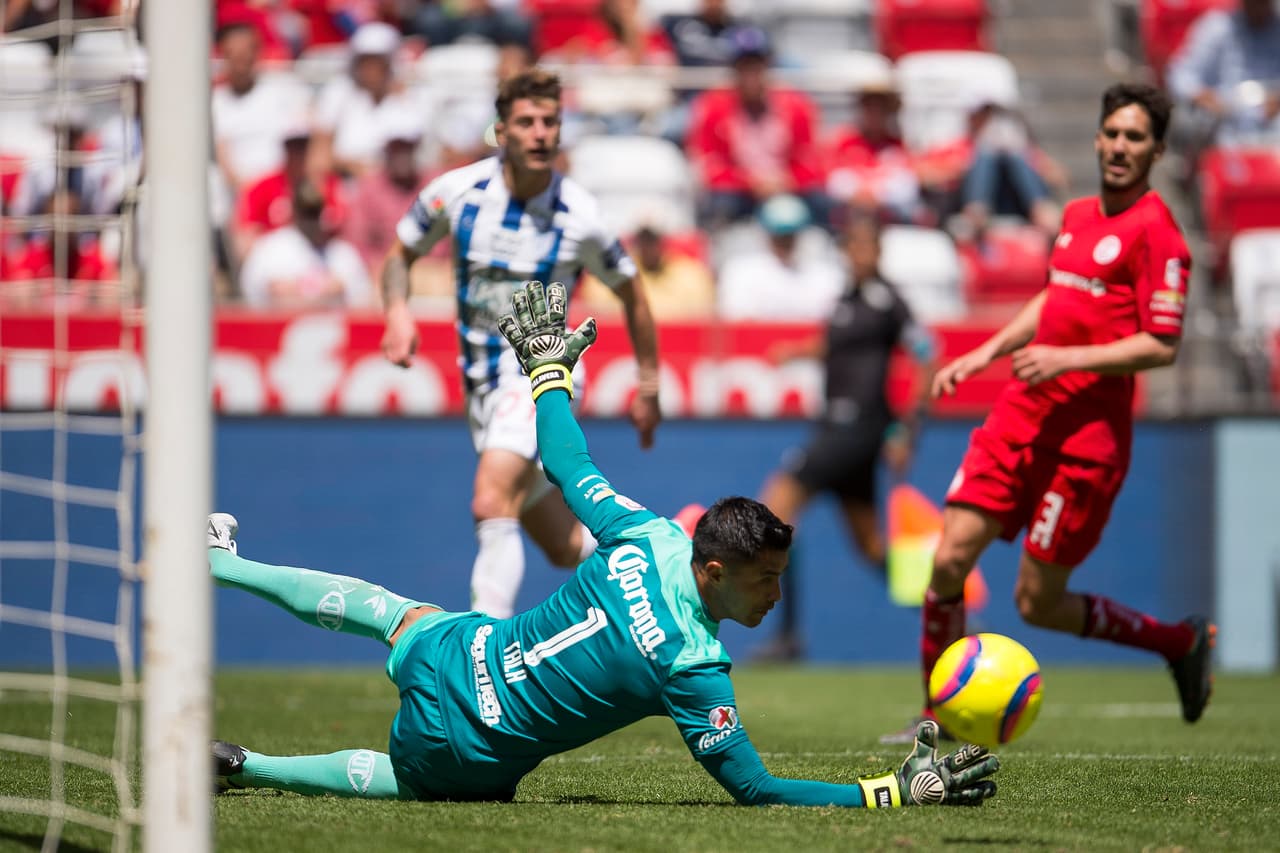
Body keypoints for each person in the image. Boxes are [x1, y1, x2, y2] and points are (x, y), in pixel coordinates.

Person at [208, 279, 1002, 808]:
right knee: (408, 778)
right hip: (476, 752)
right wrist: (891, 793)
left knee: (395, 612)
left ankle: (224, 563)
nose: (775, 593)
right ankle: (249, 765)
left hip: (464, 653)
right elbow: (756, 789)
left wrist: (548, 375)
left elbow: (567, 462)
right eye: (764, 581)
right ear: (716, 570)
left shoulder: (647, 535)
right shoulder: (692, 666)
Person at [880, 83, 1215, 743]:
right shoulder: (1078, 213)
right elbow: (1052, 298)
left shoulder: (1160, 237)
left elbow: (1162, 344)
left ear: (1156, 149)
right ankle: (937, 717)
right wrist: (987, 351)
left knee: (1038, 603)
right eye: (1112, 133)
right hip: (1021, 418)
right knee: (948, 559)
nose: (1120, 147)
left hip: (1085, 443)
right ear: (1096, 138)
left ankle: (1178, 641)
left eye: (1136, 137)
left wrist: (1066, 360)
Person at [379, 68, 662, 620]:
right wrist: (396, 312)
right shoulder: (457, 194)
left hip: (538, 377)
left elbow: (633, 293)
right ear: (501, 132)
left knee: (490, 499)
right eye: (527, 122)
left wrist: (648, 383)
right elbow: (400, 255)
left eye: (550, 122)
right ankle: (658, 561)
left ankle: (484, 658)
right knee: (560, 546)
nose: (540, 133)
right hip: (481, 385)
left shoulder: (579, 215)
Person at [757, 213, 936, 660]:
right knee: (871, 546)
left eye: (865, 246)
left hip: (856, 427)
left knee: (774, 511)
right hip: (839, 427)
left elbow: (927, 357)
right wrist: (797, 351)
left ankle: (788, 636)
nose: (857, 254)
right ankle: (950, 616)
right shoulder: (845, 301)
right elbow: (835, 346)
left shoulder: (888, 302)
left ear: (878, 252)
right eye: (851, 246)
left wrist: (906, 430)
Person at [685, 27, 828, 230]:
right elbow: (708, 163)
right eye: (744, 67)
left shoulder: (797, 106)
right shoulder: (712, 107)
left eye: (756, 66)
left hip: (787, 186)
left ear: (767, 67)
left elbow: (812, 159)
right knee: (720, 204)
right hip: (739, 193)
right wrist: (749, 182)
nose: (751, 74)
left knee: (822, 203)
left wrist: (788, 180)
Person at [237, 178, 372, 309]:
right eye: (306, 213)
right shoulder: (270, 249)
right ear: (295, 211)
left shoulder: (341, 253)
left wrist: (332, 289)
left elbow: (360, 295)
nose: (311, 220)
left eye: (315, 212)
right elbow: (254, 291)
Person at [1166, 0, 1280, 146]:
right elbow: (1180, 75)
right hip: (1223, 131)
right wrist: (1202, 95)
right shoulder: (1216, 27)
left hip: (1273, 135)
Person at [716, 193, 842, 321]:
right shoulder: (741, 272)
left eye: (790, 236)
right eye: (779, 236)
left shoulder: (824, 274)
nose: (785, 242)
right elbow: (737, 320)